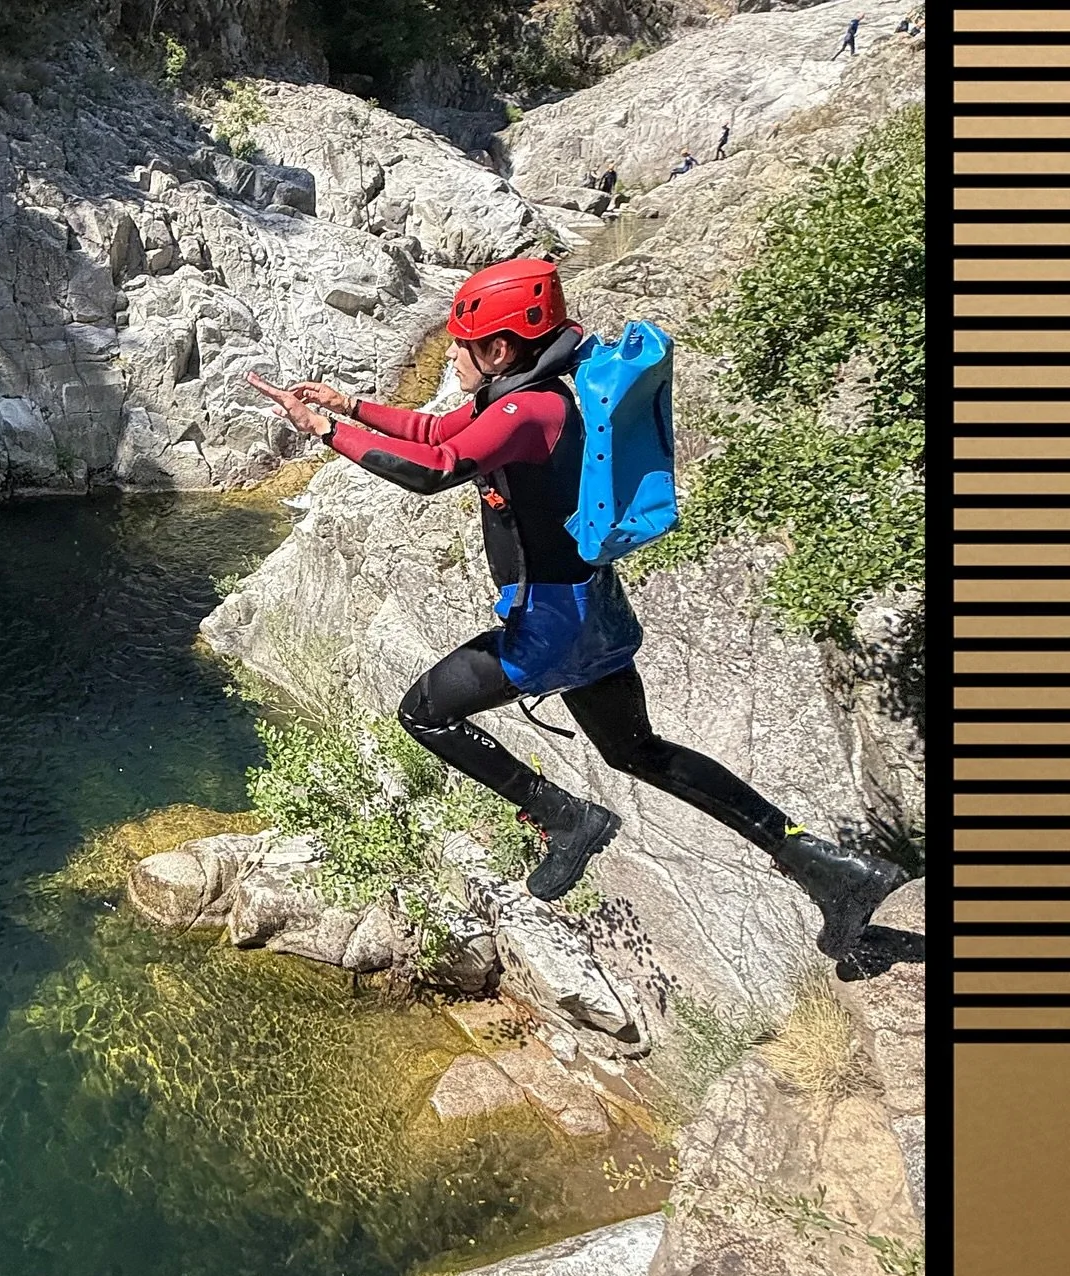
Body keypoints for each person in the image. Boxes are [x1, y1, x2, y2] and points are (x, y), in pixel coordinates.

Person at [243, 260, 905, 953]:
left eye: (459, 344)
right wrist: (347, 406)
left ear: (498, 350)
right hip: (596, 610)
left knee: (424, 713)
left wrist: (321, 432)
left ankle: (563, 818)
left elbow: (431, 471)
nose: (451, 356)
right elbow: (438, 435)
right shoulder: (530, 397)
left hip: (553, 626)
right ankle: (829, 869)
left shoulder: (527, 409)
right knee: (639, 753)